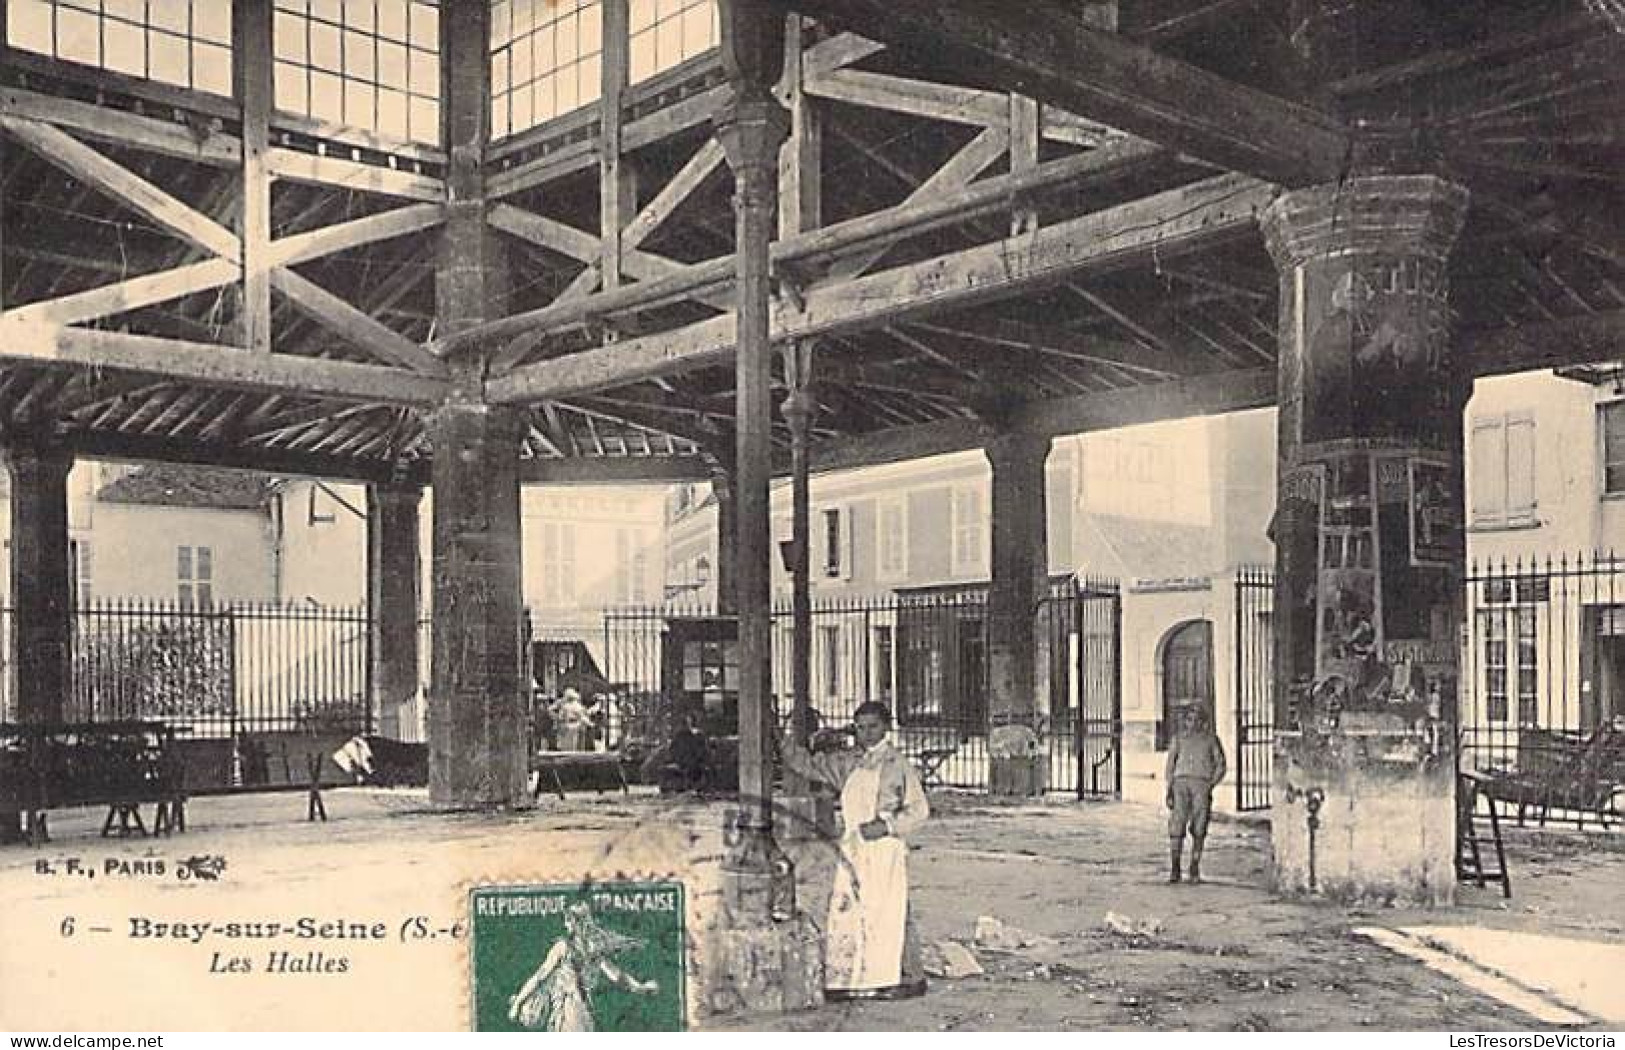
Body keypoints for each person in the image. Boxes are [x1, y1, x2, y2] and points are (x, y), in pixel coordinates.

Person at [779, 700, 929, 1001]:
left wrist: (887, 827)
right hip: (853, 846)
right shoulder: (848, 763)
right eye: (860, 727)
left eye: (873, 726)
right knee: (849, 910)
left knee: (887, 911)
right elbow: (809, 765)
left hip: (884, 847)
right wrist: (782, 740)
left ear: (886, 726)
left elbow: (919, 809)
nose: (866, 733)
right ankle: (851, 979)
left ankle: (897, 978)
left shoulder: (898, 765)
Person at [507, 901, 659, 1032]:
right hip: (586, 1013)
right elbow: (617, 976)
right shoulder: (593, 949)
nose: (565, 925)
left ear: (576, 922)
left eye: (568, 921)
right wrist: (639, 987)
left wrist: (518, 1002)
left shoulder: (563, 947)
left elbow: (540, 976)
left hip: (569, 1013)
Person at [1164, 700, 1227, 884]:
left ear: (1203, 721)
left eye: (1197, 719)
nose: (1193, 722)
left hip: (1201, 784)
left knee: (1199, 827)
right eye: (1190, 718)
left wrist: (1210, 784)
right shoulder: (1179, 739)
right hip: (1180, 784)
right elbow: (1170, 765)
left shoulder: (1210, 740)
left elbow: (1221, 765)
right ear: (1185, 721)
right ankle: (1175, 868)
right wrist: (1170, 788)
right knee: (1177, 825)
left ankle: (1194, 867)